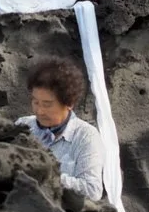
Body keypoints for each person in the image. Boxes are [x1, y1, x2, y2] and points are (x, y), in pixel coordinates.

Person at [17, 58, 104, 200]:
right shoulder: (23, 126)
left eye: (47, 104)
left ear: (69, 103)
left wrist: (47, 174)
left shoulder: (86, 136)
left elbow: (92, 190)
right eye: (35, 102)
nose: (39, 111)